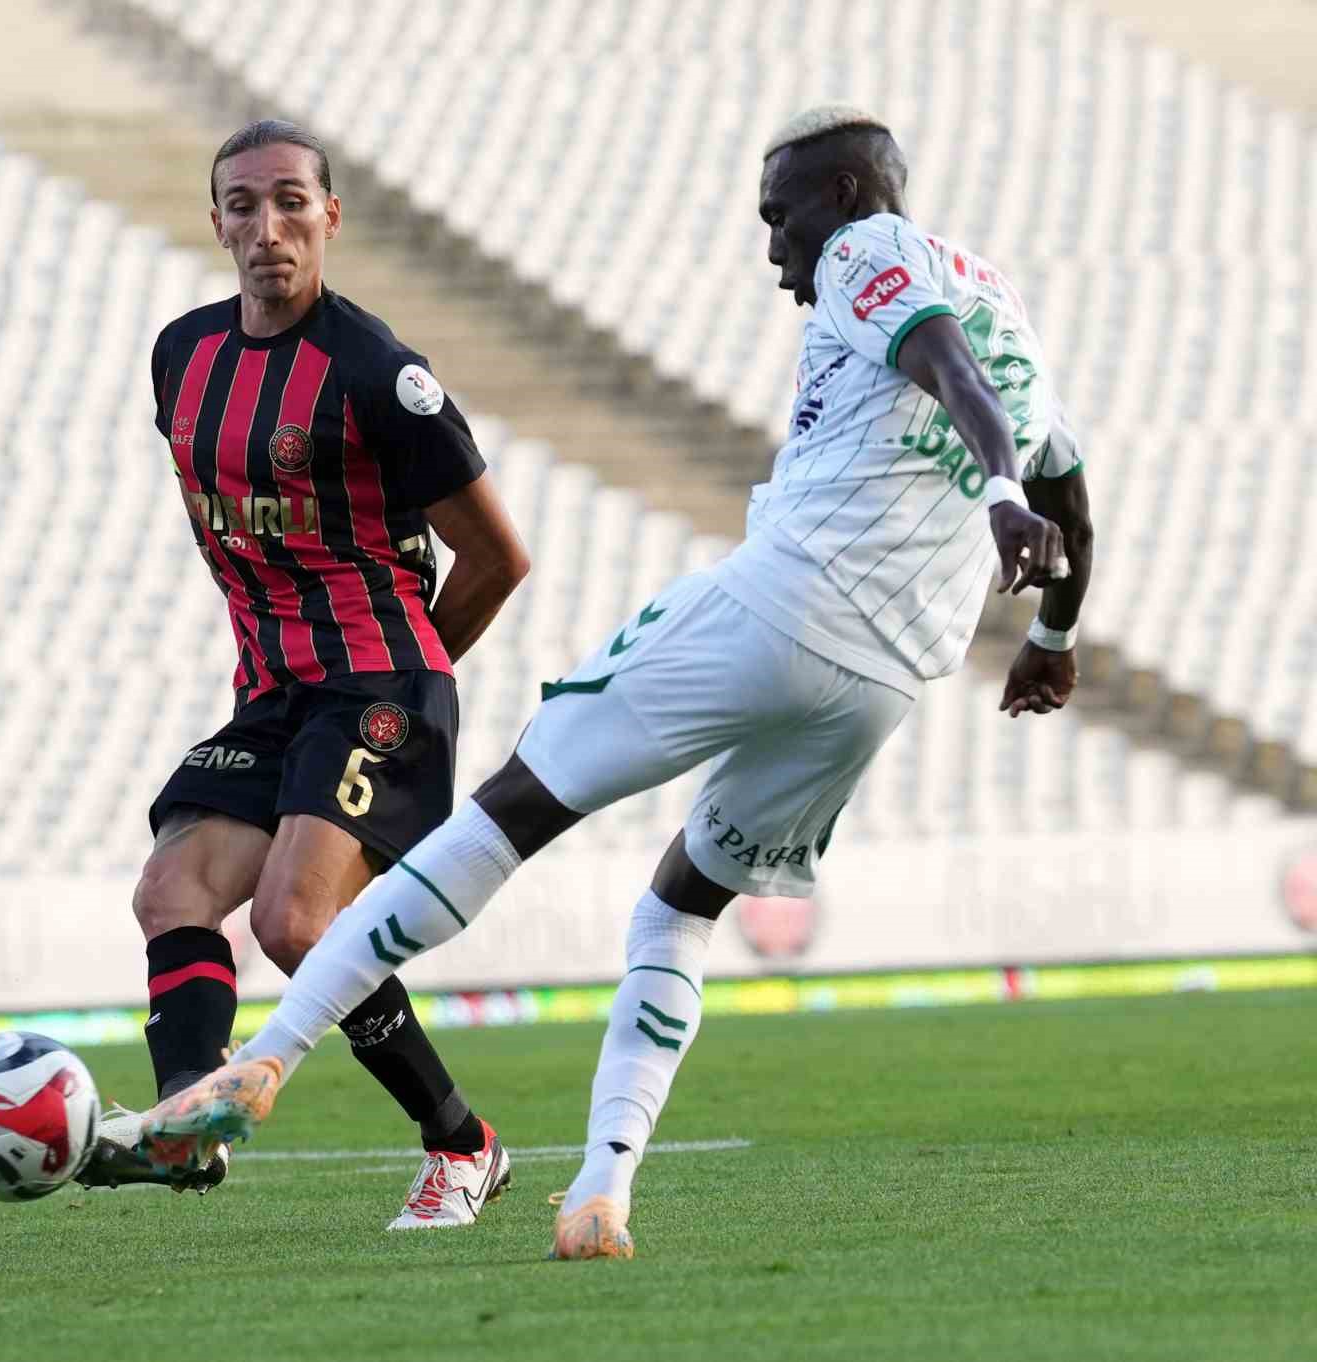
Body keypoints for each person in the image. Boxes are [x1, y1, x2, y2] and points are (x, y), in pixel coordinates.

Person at [133, 106, 1095, 1257]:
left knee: (509, 815)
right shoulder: (1018, 326)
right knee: (679, 904)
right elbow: (1072, 488)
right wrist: (1051, 634)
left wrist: (996, 497)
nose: (776, 255)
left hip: (776, 606)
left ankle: (270, 1062)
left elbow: (939, 362)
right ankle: (599, 1191)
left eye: (777, 219)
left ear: (838, 196)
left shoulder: (866, 247)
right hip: (883, 681)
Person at [74, 119, 530, 1232]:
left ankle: (465, 1146)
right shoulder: (181, 356)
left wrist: (405, 686)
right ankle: (188, 1127)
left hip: (378, 683)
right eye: (243, 204)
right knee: (169, 892)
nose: (267, 226)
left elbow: (498, 557)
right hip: (274, 694)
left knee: (291, 923)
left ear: (330, 216)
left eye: (290, 201)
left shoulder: (379, 373)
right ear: (217, 221)